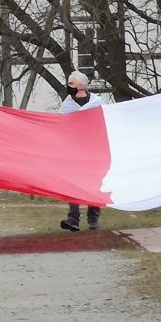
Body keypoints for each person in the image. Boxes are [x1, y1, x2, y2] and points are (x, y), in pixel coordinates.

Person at [59, 71, 103, 232]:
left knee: (94, 183)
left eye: (71, 84)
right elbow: (61, 126)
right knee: (73, 184)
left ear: (81, 86)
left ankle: (93, 216)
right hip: (73, 151)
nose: (68, 86)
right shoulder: (67, 105)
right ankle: (73, 218)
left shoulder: (97, 103)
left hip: (93, 150)